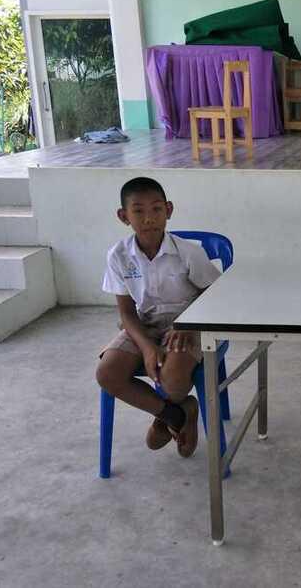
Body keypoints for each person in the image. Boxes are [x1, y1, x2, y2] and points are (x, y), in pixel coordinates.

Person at [95, 177, 221, 458]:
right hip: (144, 325)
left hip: (189, 323)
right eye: (138, 211)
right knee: (107, 373)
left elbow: (215, 294)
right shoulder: (118, 255)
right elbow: (126, 312)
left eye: (156, 209)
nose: (149, 218)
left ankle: (165, 416)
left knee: (172, 380)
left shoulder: (188, 252)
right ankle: (176, 414)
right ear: (123, 216)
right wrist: (147, 347)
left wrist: (187, 324)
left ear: (169, 210)